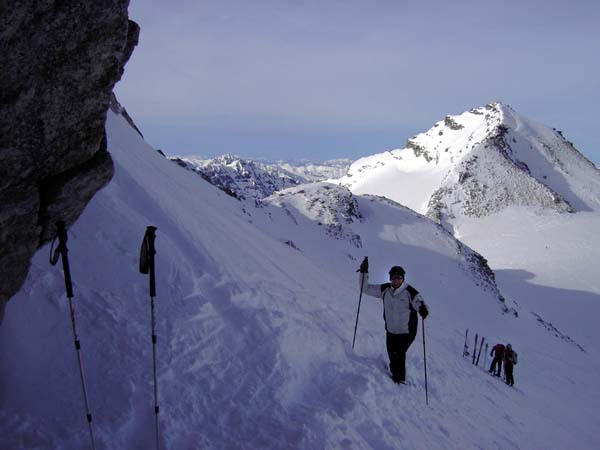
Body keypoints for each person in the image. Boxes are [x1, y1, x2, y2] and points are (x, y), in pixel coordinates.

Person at [358, 257, 429, 384]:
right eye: (394, 278)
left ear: (403, 279)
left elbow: (419, 302)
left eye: (399, 278)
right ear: (390, 278)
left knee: (399, 354)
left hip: (407, 331)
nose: (396, 280)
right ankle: (394, 373)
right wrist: (364, 273)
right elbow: (365, 289)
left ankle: (400, 380)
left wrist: (423, 309)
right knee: (392, 355)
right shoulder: (385, 289)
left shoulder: (410, 292)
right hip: (390, 330)